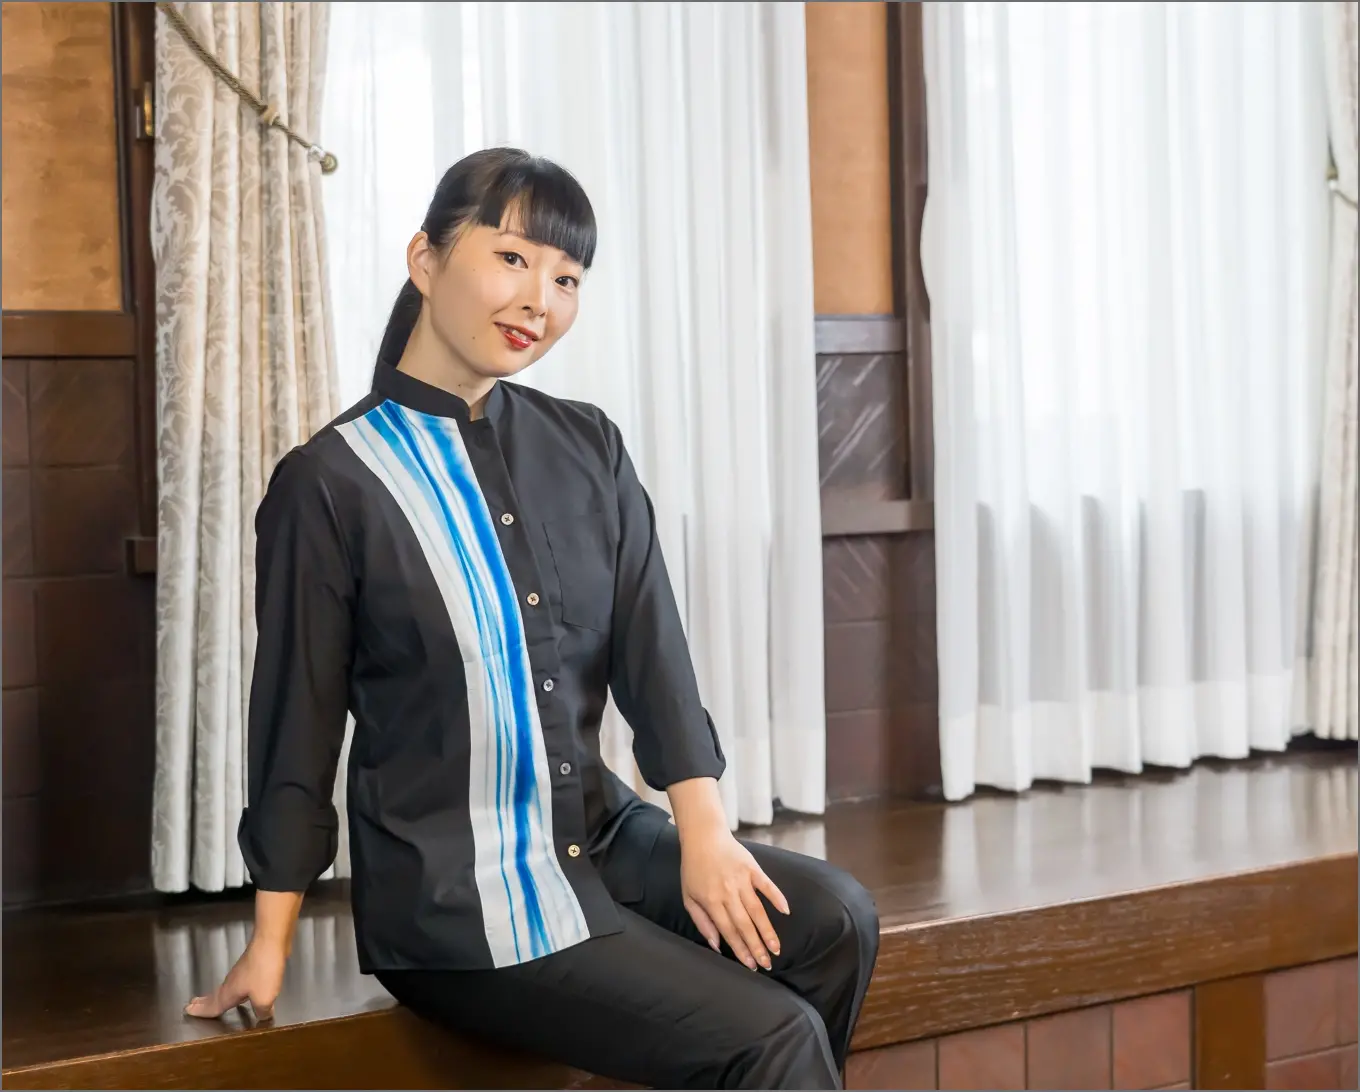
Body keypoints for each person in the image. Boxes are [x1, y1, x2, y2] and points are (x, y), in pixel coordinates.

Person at [185, 147, 879, 1090]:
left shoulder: (585, 443)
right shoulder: (331, 484)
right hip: (454, 903)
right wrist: (270, 941)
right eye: (513, 259)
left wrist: (705, 835)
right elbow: (296, 726)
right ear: (425, 260)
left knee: (837, 920)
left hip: (600, 839)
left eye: (566, 277)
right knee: (772, 1036)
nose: (539, 300)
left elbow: (653, 652)